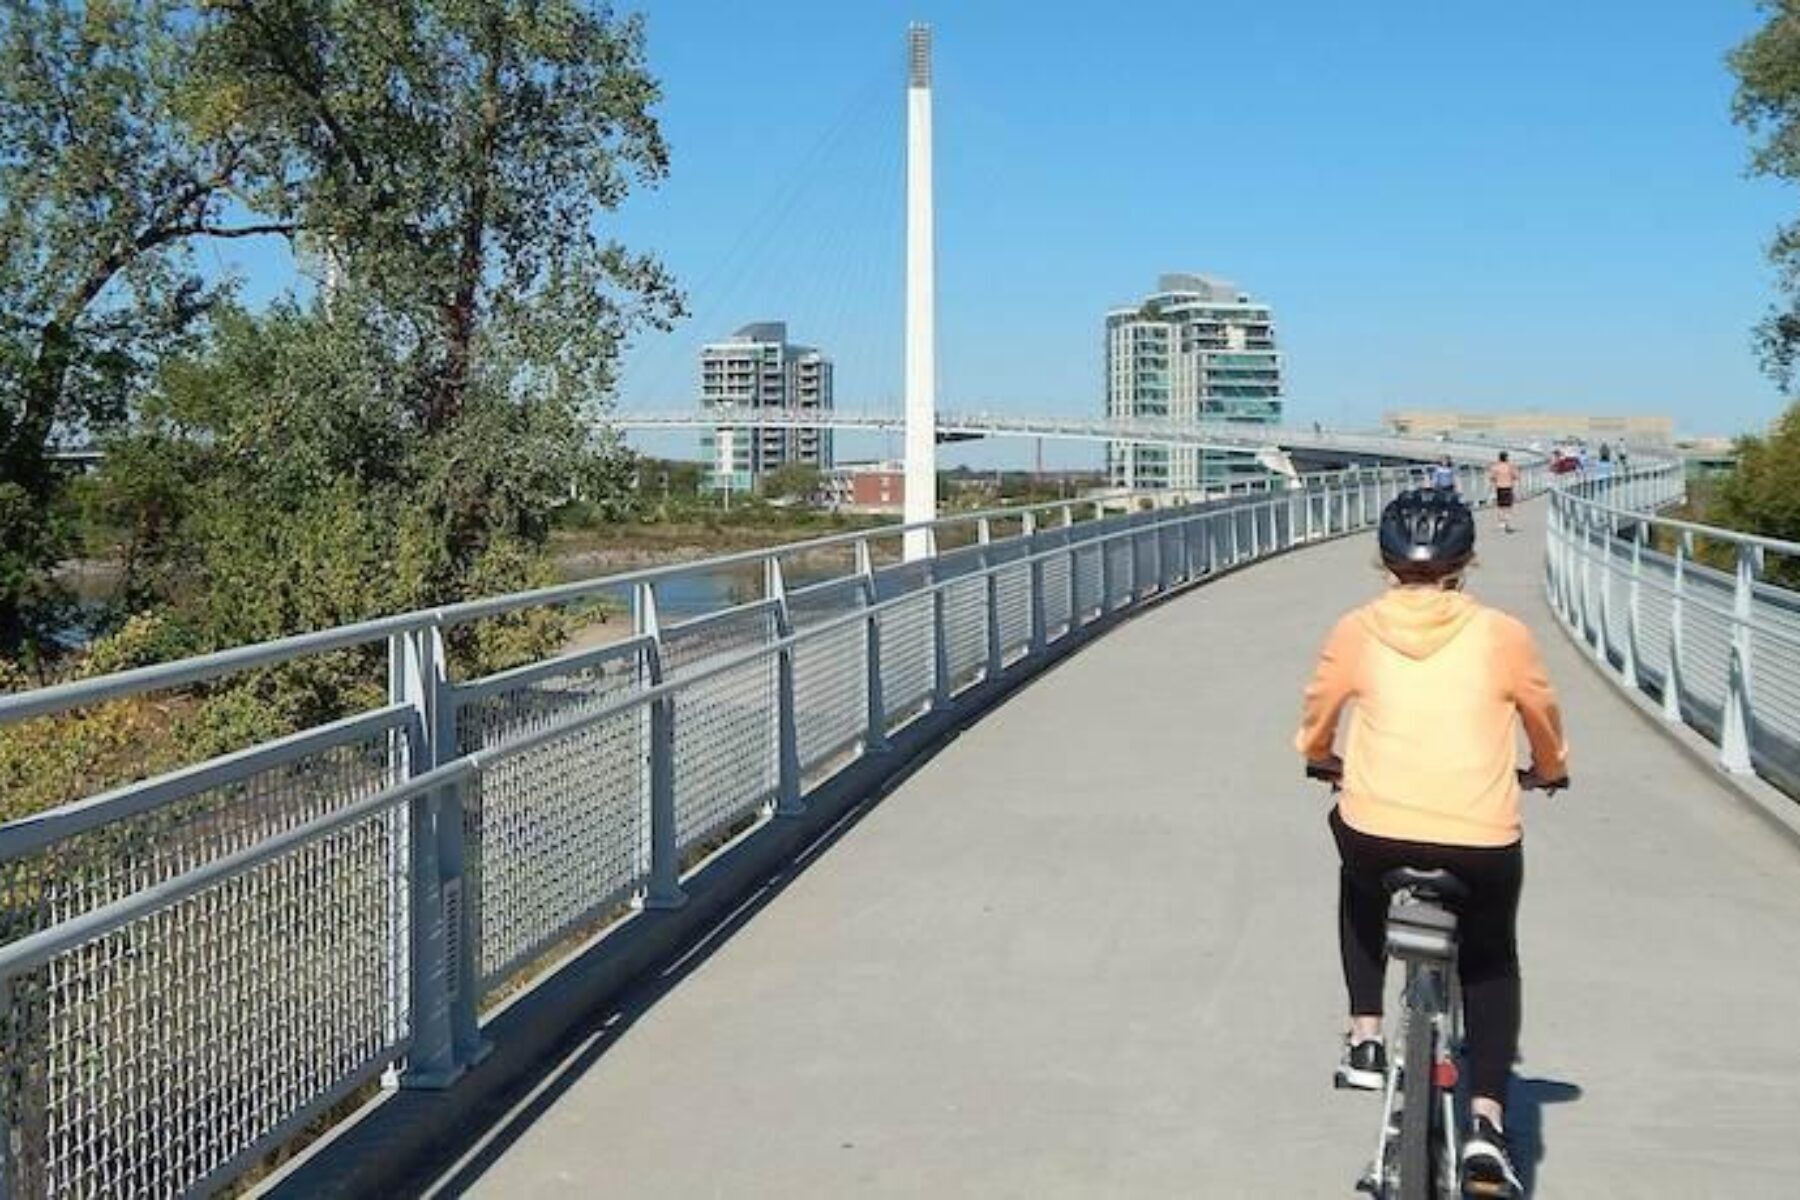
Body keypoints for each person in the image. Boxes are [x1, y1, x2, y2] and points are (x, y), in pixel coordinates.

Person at [1294, 489, 1568, 1198]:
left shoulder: (1357, 628)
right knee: (1489, 956)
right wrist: (1549, 770)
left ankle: (1365, 1035)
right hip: (1480, 837)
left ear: (1384, 560)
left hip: (1377, 831)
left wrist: (1319, 755)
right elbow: (1540, 712)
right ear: (1466, 561)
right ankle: (1484, 1124)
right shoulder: (1502, 633)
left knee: (1357, 885)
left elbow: (1320, 711)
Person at [1487, 450, 1519, 533]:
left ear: (1499, 458)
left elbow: (1491, 478)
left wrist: (1490, 490)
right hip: (1508, 487)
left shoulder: (1495, 467)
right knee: (1508, 507)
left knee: (1500, 507)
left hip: (1499, 488)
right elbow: (1516, 477)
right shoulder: (1510, 466)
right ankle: (1507, 523)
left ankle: (1502, 522)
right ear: (1506, 458)